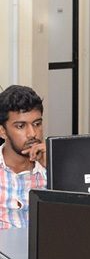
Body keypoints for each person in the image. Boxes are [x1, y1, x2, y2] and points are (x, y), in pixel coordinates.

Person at [0, 85, 46, 229]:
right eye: (21, 126)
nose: (32, 133)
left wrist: (54, 169)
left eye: (37, 124)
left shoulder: (53, 169)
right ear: (2, 132)